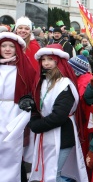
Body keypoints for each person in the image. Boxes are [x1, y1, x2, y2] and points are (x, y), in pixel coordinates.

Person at [26, 44, 88, 182]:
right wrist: (33, 112)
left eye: (50, 59)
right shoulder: (43, 81)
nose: (46, 63)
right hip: (46, 132)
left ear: (58, 61)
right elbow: (38, 105)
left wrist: (36, 125)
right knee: (47, 173)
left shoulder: (64, 84)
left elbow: (59, 116)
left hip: (62, 135)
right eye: (43, 60)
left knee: (54, 175)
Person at [0, 32, 36, 182]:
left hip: (15, 112)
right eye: (3, 46)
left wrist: (28, 102)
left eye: (11, 46)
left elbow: (33, 87)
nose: (7, 49)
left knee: (11, 149)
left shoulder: (23, 67)